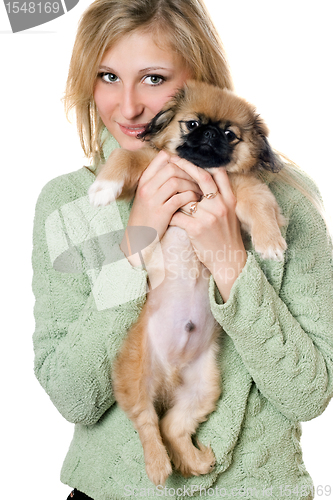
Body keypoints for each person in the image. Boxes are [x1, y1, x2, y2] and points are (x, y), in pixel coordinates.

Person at [32, 1, 333, 499]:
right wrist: (134, 249)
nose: (127, 107)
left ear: (199, 82)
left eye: (153, 78)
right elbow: (75, 397)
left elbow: (308, 392)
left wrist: (232, 263)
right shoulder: (67, 204)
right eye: (107, 75)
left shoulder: (287, 199)